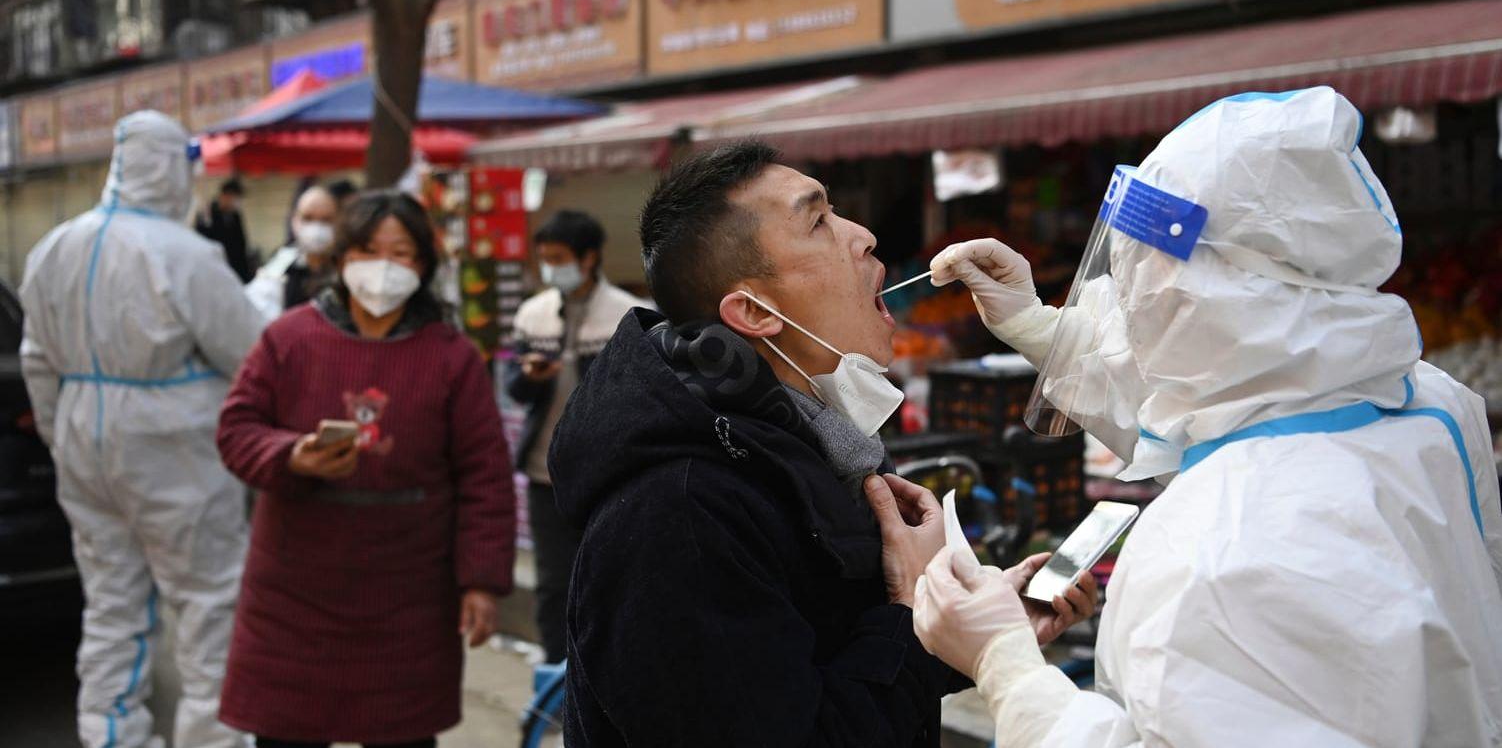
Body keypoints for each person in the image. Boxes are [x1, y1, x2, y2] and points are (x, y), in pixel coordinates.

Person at [912, 87, 1502, 746]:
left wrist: (1011, 671)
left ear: (1226, 284)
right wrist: (1044, 330)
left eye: (1144, 270)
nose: (1126, 295)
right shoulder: (1423, 401)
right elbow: (1223, 410)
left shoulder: (1215, 549)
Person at [547, 141, 1096, 746]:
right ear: (754, 314)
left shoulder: (810, 447)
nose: (862, 236)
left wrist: (977, 627)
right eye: (818, 221)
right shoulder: (680, 512)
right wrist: (909, 614)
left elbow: (834, 672)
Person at [216, 190, 517, 748]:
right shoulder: (288, 339)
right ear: (342, 258)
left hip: (409, 599)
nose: (383, 267)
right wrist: (291, 455)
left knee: (399, 734)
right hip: (293, 595)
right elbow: (236, 429)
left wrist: (481, 580)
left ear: (424, 265)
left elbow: (485, 475)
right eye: (368, 250)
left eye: (401, 252)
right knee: (287, 734)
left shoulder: (452, 356)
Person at [18, 110, 266, 748]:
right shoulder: (183, 253)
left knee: (111, 604)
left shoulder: (54, 246)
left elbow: (37, 361)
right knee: (208, 605)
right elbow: (249, 353)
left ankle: (110, 736)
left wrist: (63, 435)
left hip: (81, 440)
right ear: (172, 169)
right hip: (172, 444)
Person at [503, 209, 650, 664]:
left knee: (609, 579)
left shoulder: (627, 315)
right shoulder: (533, 313)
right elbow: (514, 389)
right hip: (544, 471)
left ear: (589, 258)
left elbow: (640, 397)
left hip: (607, 475)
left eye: (559, 258)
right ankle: (553, 679)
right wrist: (530, 375)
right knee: (552, 584)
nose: (550, 268)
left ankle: (606, 676)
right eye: (544, 258)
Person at [246, 185, 340, 321]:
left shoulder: (347, 264)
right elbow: (259, 302)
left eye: (326, 220)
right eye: (308, 218)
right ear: (295, 221)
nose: (317, 228)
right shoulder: (282, 260)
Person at [195, 177, 255, 283]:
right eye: (236, 198)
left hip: (236, 274)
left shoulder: (235, 216)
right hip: (214, 273)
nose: (238, 202)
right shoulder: (207, 215)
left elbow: (241, 246)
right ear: (226, 196)